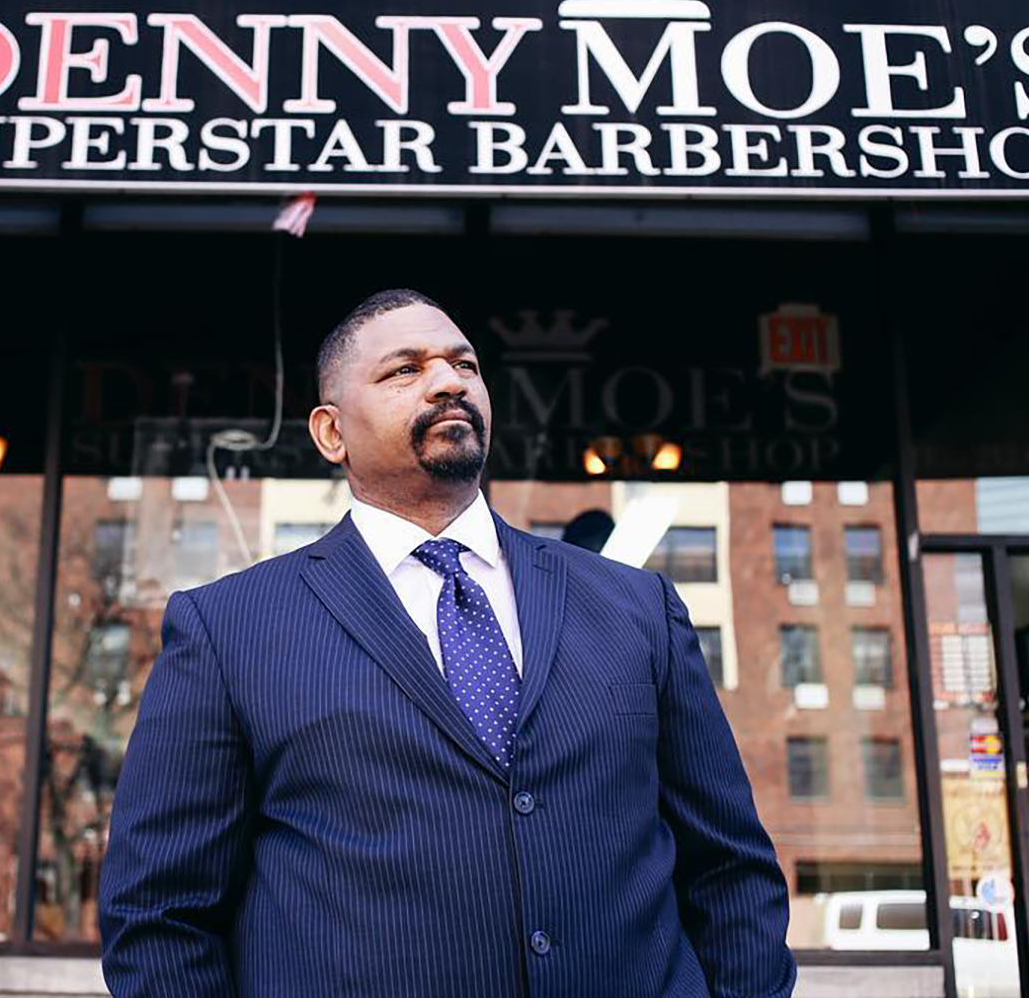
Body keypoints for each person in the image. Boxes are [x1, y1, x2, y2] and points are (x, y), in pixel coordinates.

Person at [98, 290, 796, 998]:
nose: (448, 381)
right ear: (330, 433)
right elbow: (160, 915)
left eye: (465, 364)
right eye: (405, 371)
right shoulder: (229, 629)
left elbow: (729, 867)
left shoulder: (637, 606)